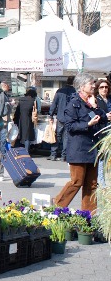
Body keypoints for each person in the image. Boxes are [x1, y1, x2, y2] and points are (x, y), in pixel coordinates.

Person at [54, 73, 107, 214]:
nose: (94, 86)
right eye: (91, 84)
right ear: (82, 86)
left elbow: (101, 117)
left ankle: (89, 213)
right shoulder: (73, 103)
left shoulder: (91, 102)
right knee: (76, 181)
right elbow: (70, 126)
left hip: (92, 148)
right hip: (78, 148)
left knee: (92, 184)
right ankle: (57, 205)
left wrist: (98, 110)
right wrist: (88, 124)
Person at [48, 76, 76, 161]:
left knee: (57, 136)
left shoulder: (60, 91)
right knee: (66, 137)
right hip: (70, 118)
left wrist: (51, 114)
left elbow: (54, 104)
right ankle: (64, 156)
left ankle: (53, 154)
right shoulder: (74, 92)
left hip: (60, 117)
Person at [94, 79, 111, 186]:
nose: (104, 89)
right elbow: (92, 114)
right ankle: (101, 180)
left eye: (106, 87)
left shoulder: (110, 99)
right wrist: (105, 116)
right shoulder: (96, 100)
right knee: (102, 156)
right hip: (101, 130)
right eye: (102, 87)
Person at [13, 89, 37, 154]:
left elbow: (17, 111)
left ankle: (16, 151)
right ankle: (27, 152)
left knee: (19, 135)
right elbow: (35, 112)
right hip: (28, 120)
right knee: (27, 137)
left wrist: (15, 120)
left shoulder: (21, 100)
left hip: (20, 120)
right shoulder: (33, 101)